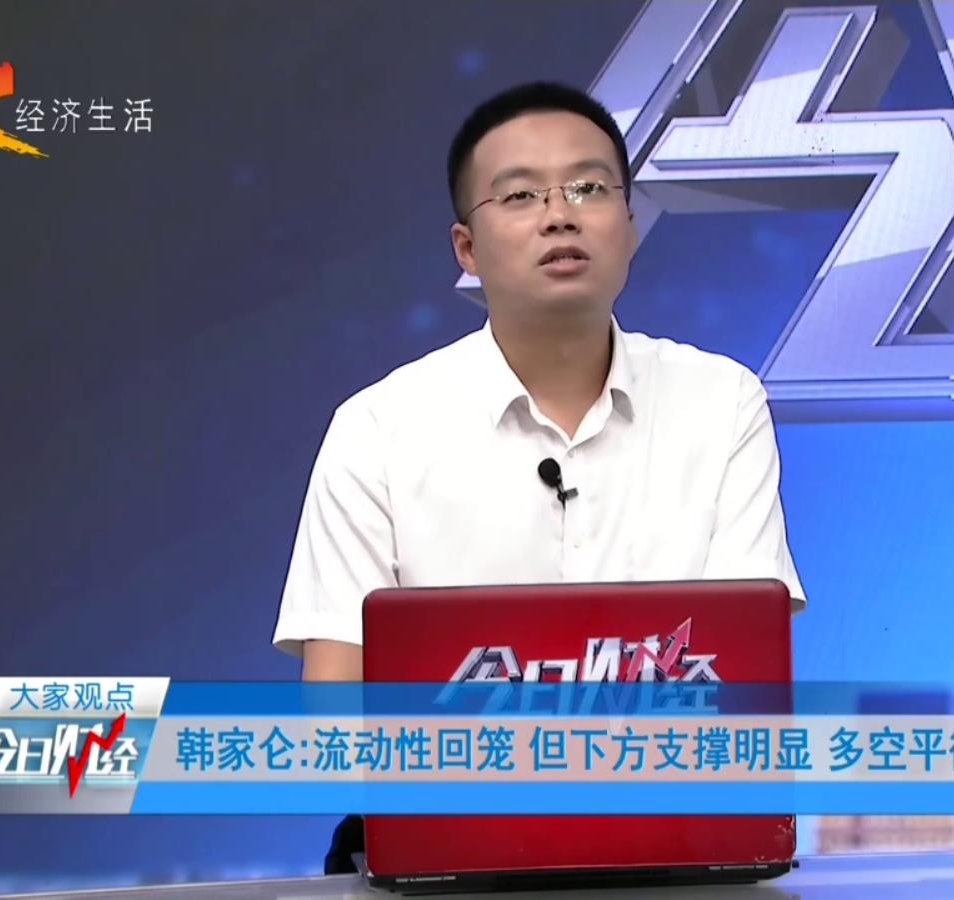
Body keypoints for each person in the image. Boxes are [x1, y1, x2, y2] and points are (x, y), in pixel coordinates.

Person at [270, 81, 807, 872]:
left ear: (629, 225)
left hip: (676, 853)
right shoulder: (379, 427)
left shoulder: (721, 402)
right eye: (520, 195)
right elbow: (334, 721)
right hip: (443, 860)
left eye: (589, 188)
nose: (560, 215)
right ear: (466, 248)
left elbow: (742, 686)